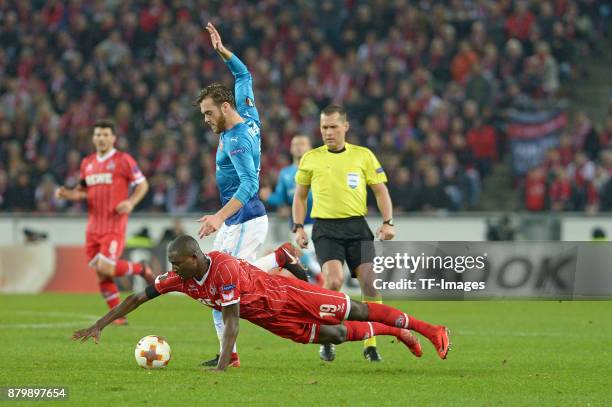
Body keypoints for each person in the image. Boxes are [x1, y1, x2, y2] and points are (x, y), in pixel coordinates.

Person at [73, 235, 451, 371]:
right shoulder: (179, 278)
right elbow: (137, 298)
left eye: (177, 263)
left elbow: (233, 321)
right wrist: (100, 324)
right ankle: (396, 333)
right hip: (273, 320)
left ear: (195, 257)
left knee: (358, 309)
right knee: (333, 337)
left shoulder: (220, 270)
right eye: (171, 265)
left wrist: (222, 367)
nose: (172, 270)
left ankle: (429, 329)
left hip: (289, 296)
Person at [194, 22, 307, 367]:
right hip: (239, 219)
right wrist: (223, 51)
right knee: (217, 284)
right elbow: (244, 75)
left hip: (244, 217)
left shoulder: (238, 140)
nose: (206, 120)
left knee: (220, 283)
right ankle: (229, 355)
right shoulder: (247, 110)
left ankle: (279, 259)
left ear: (225, 108)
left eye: (209, 113)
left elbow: (248, 186)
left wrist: (218, 217)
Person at [293, 104, 395, 362]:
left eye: (333, 127)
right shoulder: (311, 158)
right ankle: (327, 337)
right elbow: (300, 197)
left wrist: (388, 222)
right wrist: (298, 226)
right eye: (324, 127)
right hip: (326, 228)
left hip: (356, 227)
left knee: (370, 283)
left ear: (345, 127)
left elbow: (381, 191)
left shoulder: (363, 156)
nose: (328, 132)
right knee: (335, 280)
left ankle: (370, 344)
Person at [55, 120, 154, 324]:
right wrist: (67, 194)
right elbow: (82, 192)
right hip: (93, 227)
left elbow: (143, 184)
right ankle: (119, 317)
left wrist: (130, 202)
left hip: (114, 224)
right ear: (93, 138)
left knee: (106, 268)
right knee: (101, 274)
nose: (101, 138)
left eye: (105, 135)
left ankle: (141, 269)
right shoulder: (87, 163)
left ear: (113, 138)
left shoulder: (123, 160)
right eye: (98, 135)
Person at [260, 134, 322, 284]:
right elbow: (281, 198)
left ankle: (321, 280)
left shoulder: (319, 170)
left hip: (318, 223)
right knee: (300, 257)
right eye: (295, 144)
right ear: (291, 149)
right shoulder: (286, 173)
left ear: (310, 148)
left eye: (302, 143)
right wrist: (269, 197)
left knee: (304, 256)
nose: (299, 147)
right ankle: (320, 281)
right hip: (297, 225)